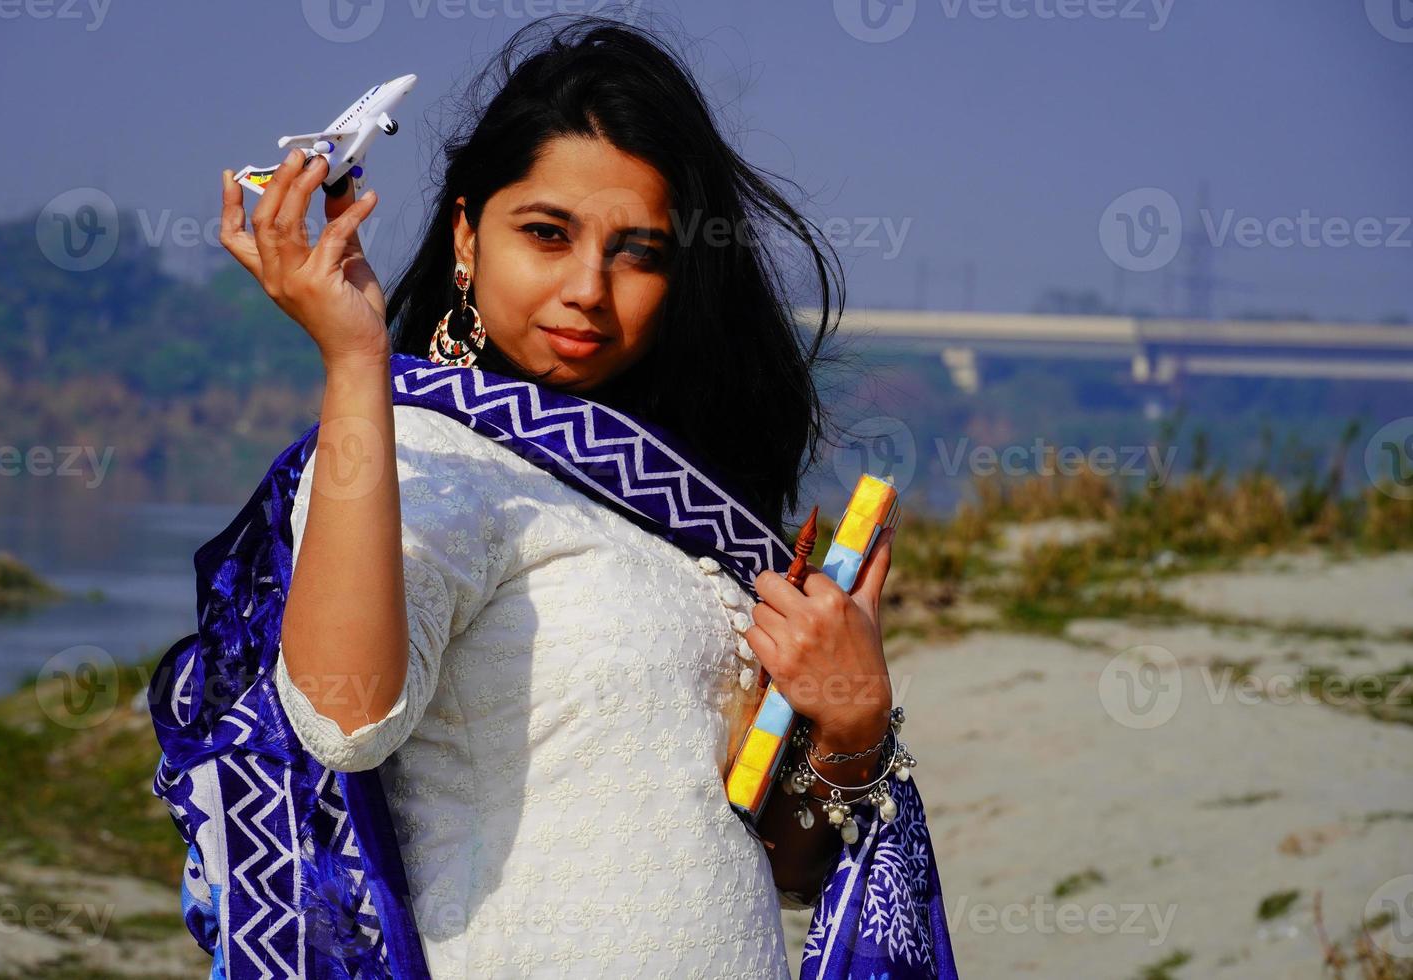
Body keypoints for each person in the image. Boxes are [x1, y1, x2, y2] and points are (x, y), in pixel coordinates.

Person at [197, 14, 951, 978]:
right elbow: (344, 721)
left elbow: (780, 860)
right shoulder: (425, 458)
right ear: (468, 234)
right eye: (547, 234)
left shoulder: (678, 505)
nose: (590, 288)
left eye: (639, 252)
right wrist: (355, 360)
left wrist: (850, 717)